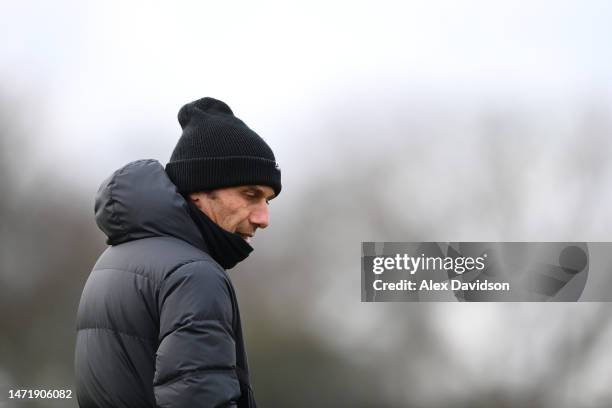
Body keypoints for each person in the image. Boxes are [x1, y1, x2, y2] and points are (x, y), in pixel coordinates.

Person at [74, 97, 281, 408]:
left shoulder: (114, 260)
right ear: (198, 192)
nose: (263, 218)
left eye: (268, 200)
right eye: (250, 195)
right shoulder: (193, 274)